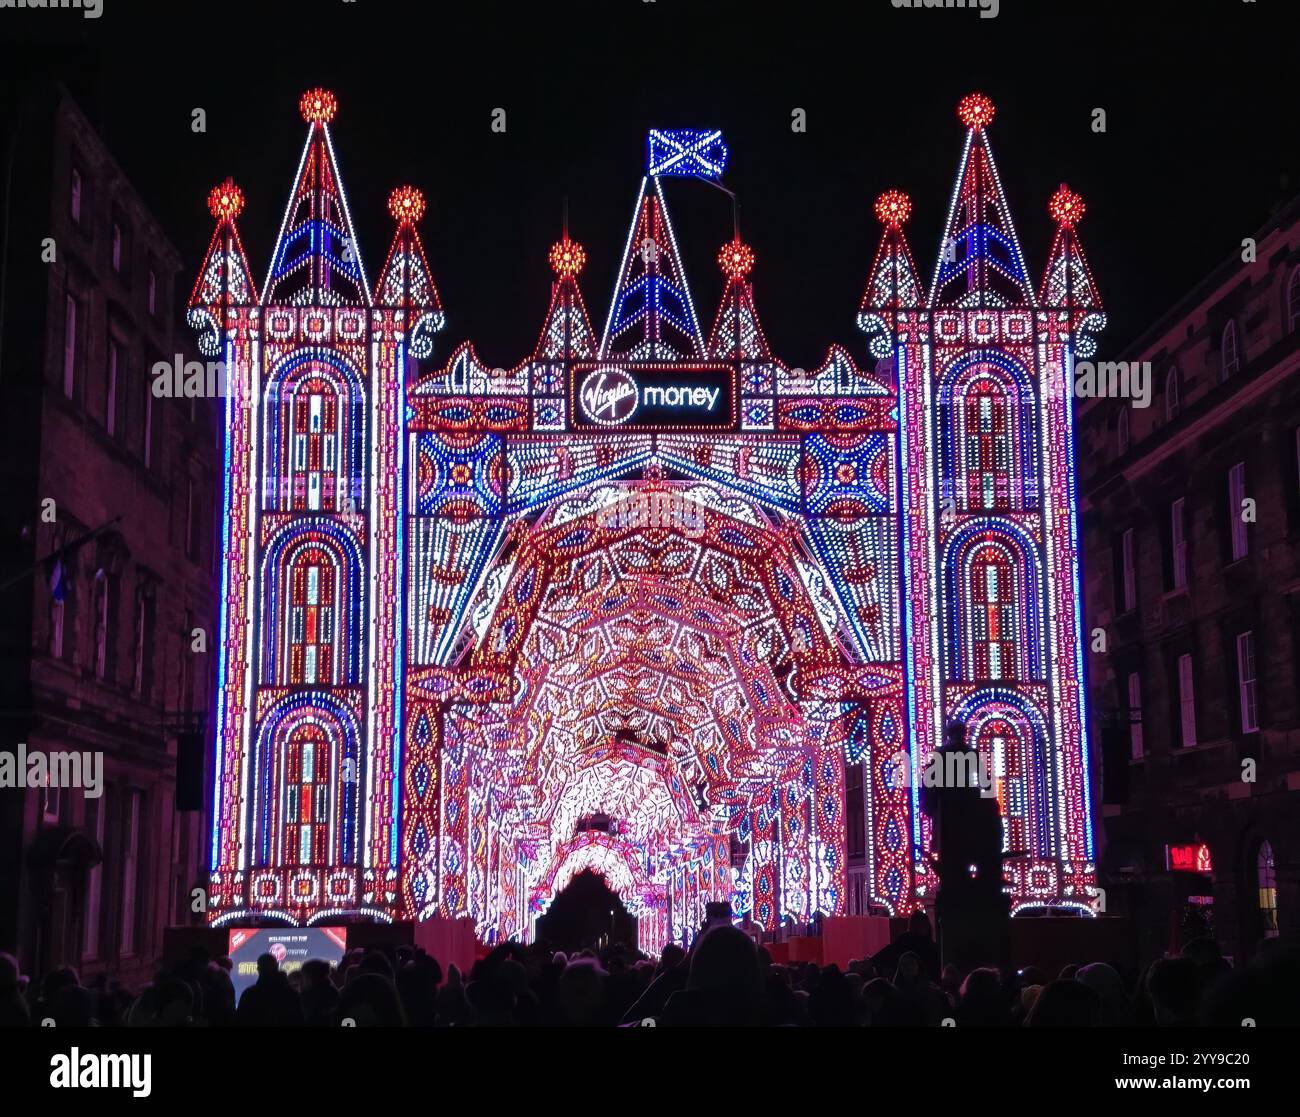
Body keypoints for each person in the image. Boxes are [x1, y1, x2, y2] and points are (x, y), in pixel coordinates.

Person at [235, 953, 304, 1027]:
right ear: (277, 965)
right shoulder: (292, 994)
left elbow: (240, 1021)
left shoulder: (249, 994)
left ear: (258, 969)